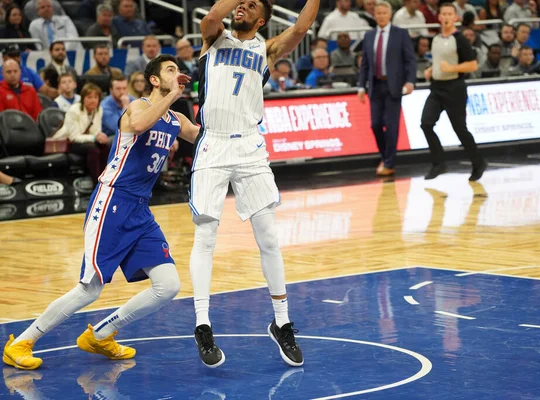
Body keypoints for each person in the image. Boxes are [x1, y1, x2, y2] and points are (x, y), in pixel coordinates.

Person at [2, 54, 200, 371]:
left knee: (168, 285)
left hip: (140, 209)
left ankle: (102, 333)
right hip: (112, 202)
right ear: (153, 79)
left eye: (179, 70)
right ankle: (21, 343)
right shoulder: (138, 107)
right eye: (170, 71)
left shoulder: (174, 119)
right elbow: (137, 126)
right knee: (90, 288)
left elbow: (201, 135)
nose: (177, 75)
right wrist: (175, 95)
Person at [190, 0, 319, 369]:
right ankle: (202, 324)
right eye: (239, 4)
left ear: (261, 20)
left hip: (249, 144)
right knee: (206, 235)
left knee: (269, 237)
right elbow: (212, 15)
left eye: (250, 6)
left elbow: (299, 29)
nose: (241, 8)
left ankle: (282, 322)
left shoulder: (266, 48)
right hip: (213, 142)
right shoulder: (214, 37)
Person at [420, 2, 487, 181]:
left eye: (451, 14)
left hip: (454, 88)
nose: (447, 17)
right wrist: (431, 70)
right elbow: (438, 60)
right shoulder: (435, 39)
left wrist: (452, 68)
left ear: (456, 17)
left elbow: (472, 64)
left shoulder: (460, 39)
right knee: (426, 124)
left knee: (460, 129)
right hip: (436, 87)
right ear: (439, 17)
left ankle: (478, 162)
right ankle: (438, 163)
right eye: (444, 14)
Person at [358, 1, 416, 176]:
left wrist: (410, 81)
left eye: (384, 13)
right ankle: (386, 157)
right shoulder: (369, 35)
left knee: (391, 127)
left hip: (394, 86)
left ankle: (389, 163)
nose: (381, 16)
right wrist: (361, 86)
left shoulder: (401, 34)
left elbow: (410, 60)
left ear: (390, 14)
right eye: (379, 13)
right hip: (375, 85)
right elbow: (365, 64)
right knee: (375, 125)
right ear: (374, 15)